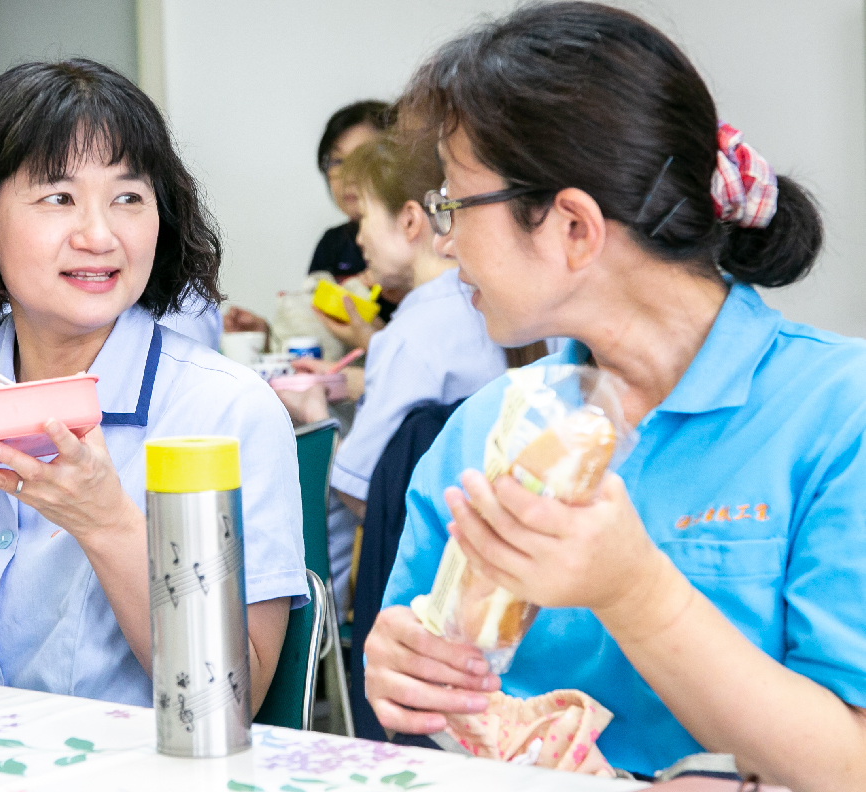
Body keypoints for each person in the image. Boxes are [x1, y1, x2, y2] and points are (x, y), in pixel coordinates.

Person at [364, 4, 866, 787]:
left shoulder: (840, 413)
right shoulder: (484, 430)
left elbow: (849, 763)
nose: (445, 238)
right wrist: (403, 672)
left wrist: (636, 592)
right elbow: (428, 681)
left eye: (455, 204)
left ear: (573, 227)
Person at [0, 59, 307, 712]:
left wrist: (108, 524)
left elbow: (224, 698)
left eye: (129, 197)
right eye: (58, 198)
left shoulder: (224, 411)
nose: (99, 236)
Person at [278, 135, 504, 616]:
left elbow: (361, 492)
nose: (357, 239)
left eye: (363, 221)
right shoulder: (492, 310)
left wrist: (316, 414)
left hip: (420, 578)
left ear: (408, 220)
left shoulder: (409, 336)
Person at [223, 100, 398, 343]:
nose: (348, 175)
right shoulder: (333, 243)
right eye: (337, 161)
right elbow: (321, 327)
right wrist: (268, 337)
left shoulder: (412, 239)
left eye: (363, 158)